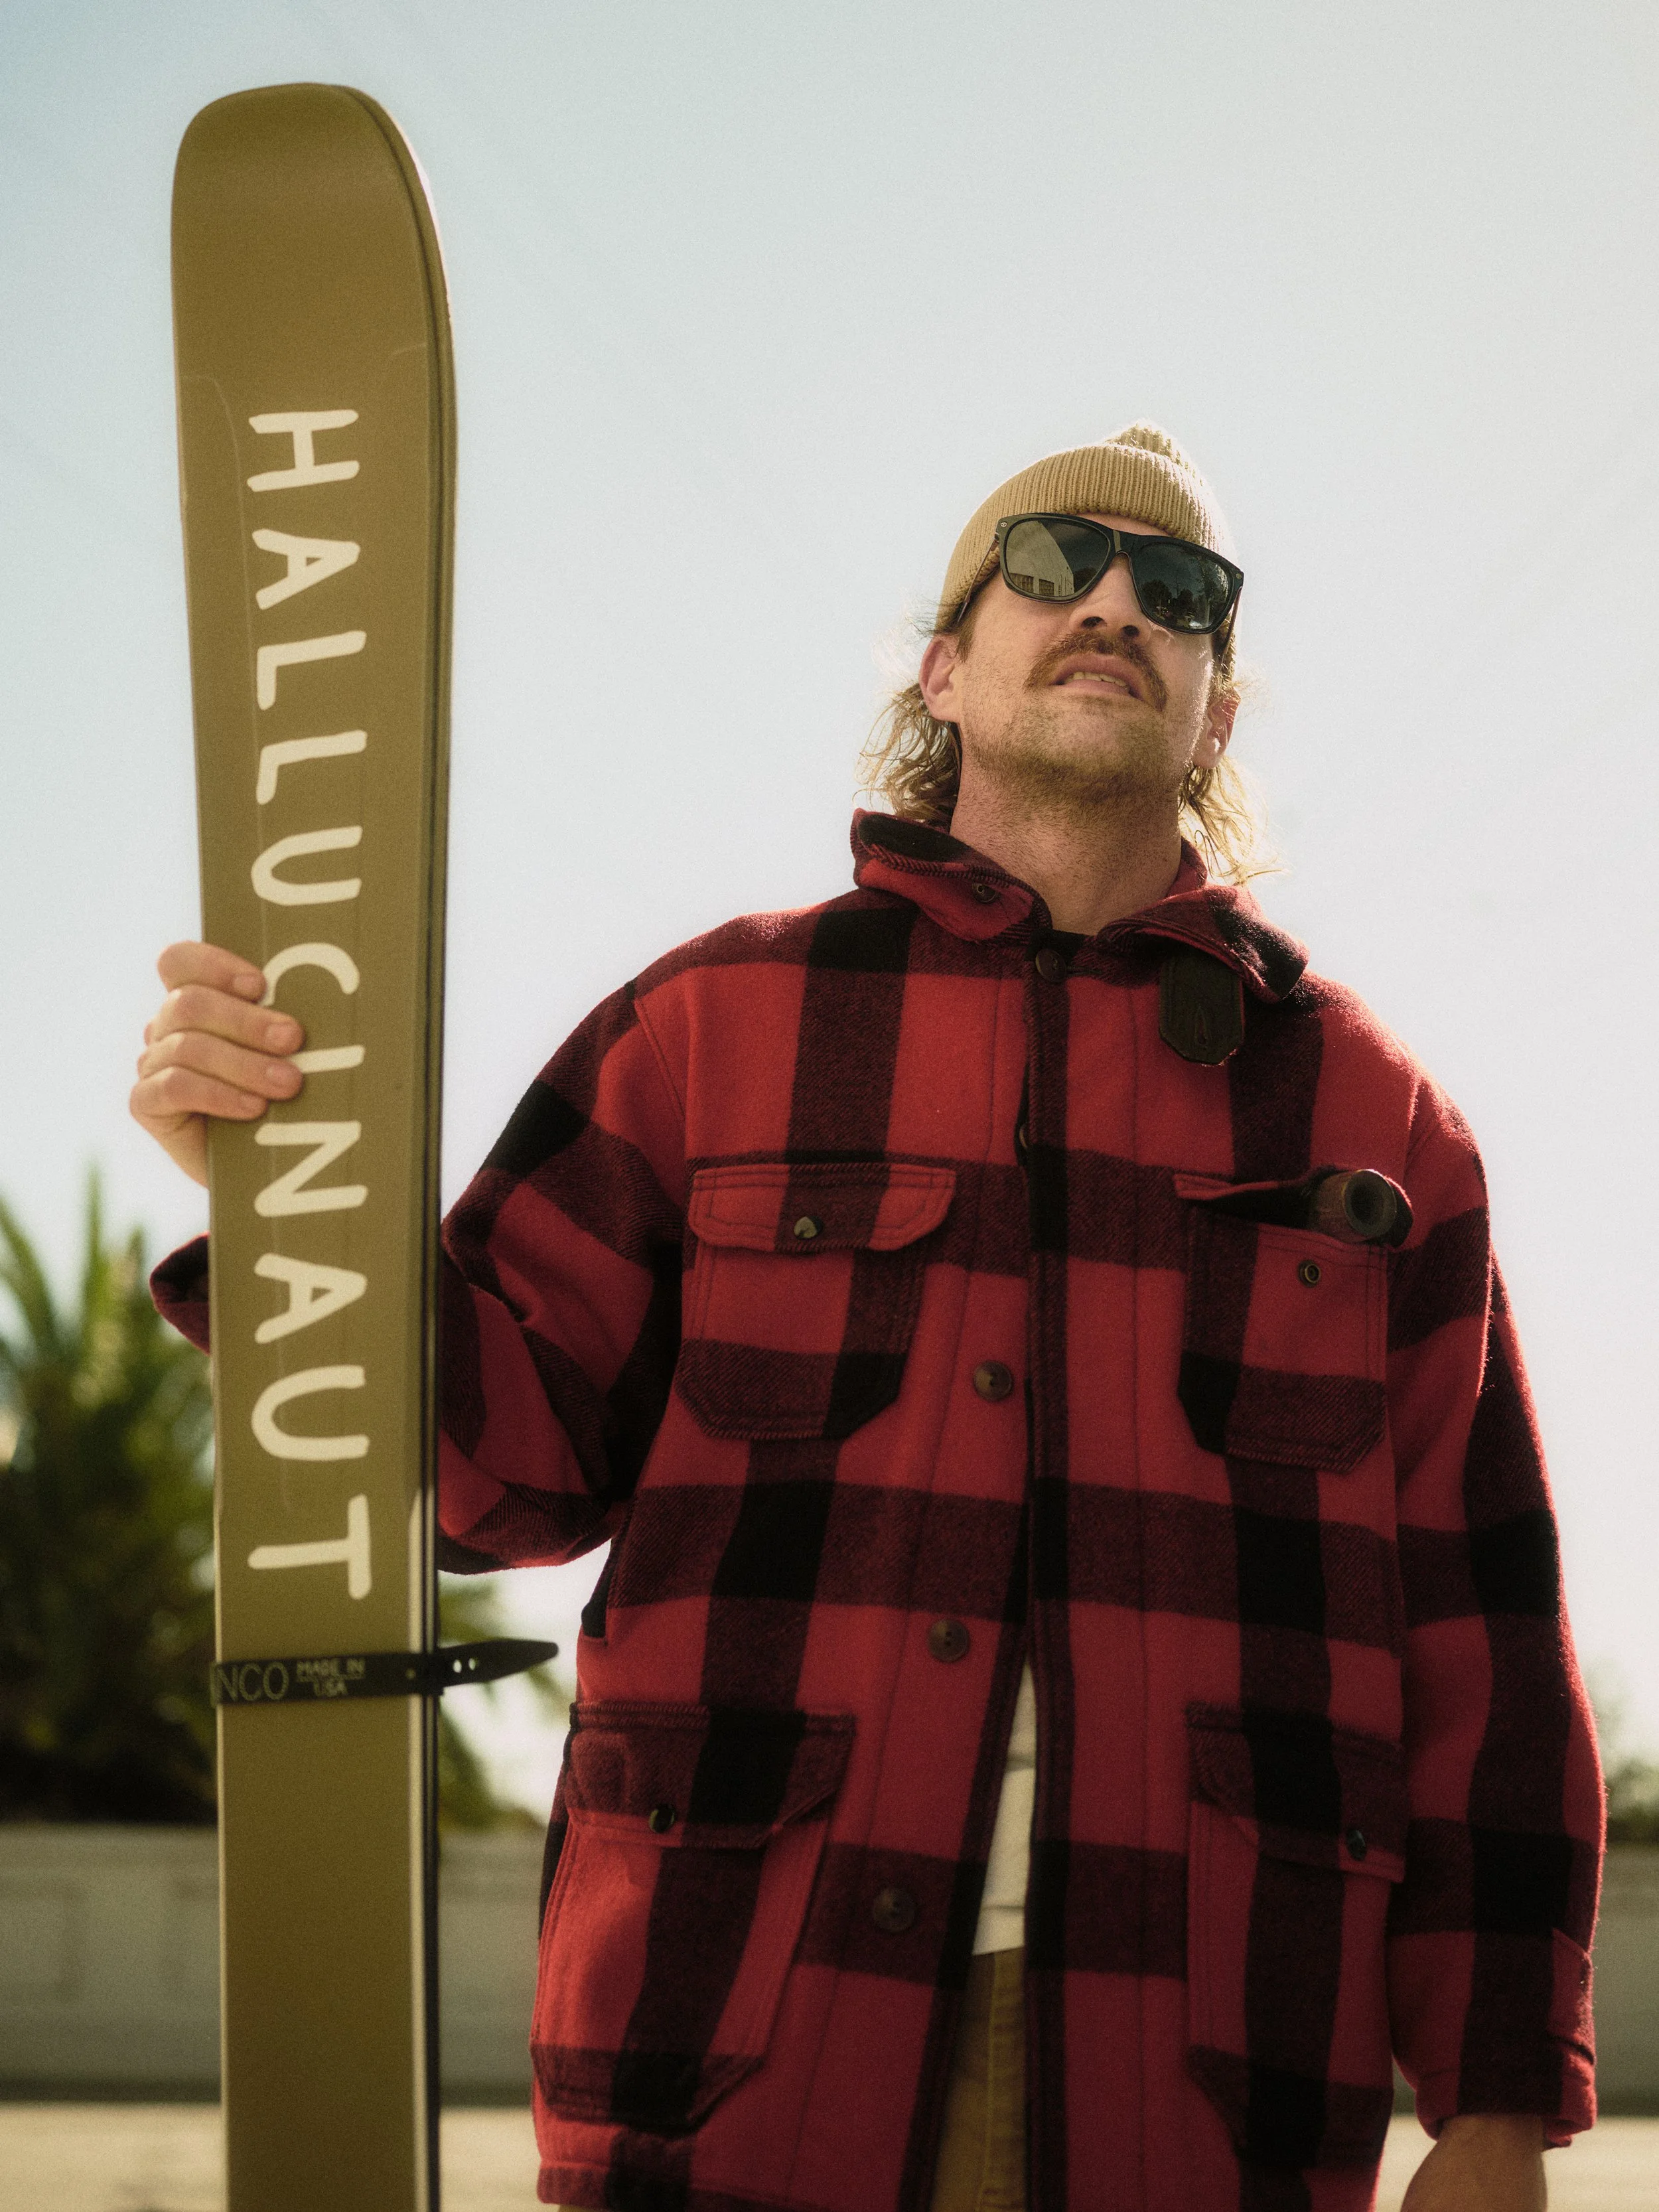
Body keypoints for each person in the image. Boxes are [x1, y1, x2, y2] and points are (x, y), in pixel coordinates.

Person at [135, 422, 1600, 2212]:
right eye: (1050, 566)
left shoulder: (1375, 1128)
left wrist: (1497, 2100)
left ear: (1215, 705)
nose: (1115, 604)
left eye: (1181, 589)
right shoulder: (708, 1028)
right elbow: (494, 1472)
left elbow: (1482, 1644)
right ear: (942, 664)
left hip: (1205, 2097)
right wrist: (290, 1193)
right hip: (730, 2049)